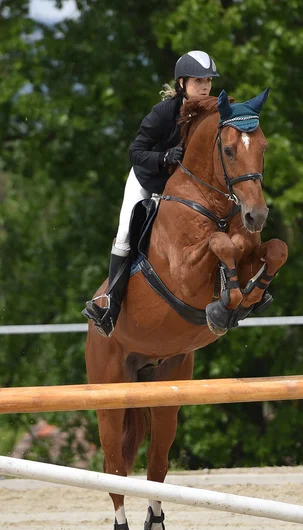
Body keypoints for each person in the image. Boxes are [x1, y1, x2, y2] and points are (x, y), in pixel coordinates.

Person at [82, 51, 220, 337]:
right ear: (182, 83)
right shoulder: (164, 113)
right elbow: (136, 152)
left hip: (185, 187)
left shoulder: (212, 112)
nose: (205, 86)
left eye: (208, 80)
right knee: (124, 235)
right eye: (199, 80)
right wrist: (164, 157)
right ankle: (111, 307)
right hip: (149, 179)